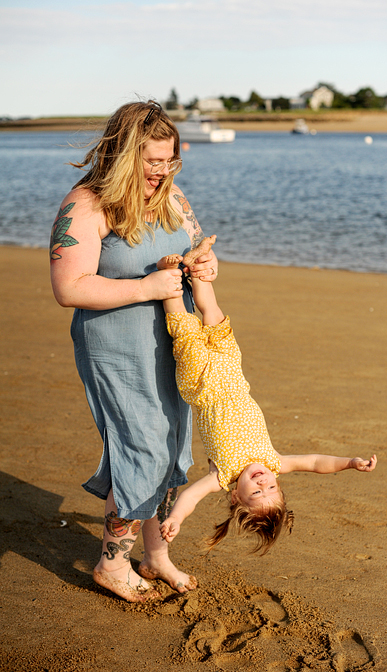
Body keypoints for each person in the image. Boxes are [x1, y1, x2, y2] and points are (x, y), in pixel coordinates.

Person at [50, 100, 219, 602]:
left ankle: (156, 555)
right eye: (152, 162)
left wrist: (204, 268)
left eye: (171, 161)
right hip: (116, 347)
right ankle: (111, 563)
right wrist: (147, 288)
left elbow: (194, 251)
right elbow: (69, 287)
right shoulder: (87, 205)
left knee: (173, 446)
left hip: (174, 339)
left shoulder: (173, 197)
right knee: (140, 448)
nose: (162, 172)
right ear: (124, 154)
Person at [155, 236, 377, 555]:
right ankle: (197, 266)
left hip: (201, 380)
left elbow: (190, 497)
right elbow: (315, 462)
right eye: (271, 488)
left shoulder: (223, 473)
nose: (263, 483)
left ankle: (171, 278)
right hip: (231, 367)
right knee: (214, 316)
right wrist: (350, 463)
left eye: (256, 493)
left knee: (184, 329)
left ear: (235, 497)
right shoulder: (273, 463)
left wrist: (176, 518)